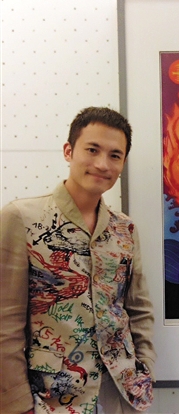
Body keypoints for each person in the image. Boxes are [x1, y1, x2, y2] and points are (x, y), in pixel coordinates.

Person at [0, 107, 156, 414]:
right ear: (69, 151)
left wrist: (145, 370)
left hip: (122, 392)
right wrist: (16, 402)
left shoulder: (125, 228)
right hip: (50, 397)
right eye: (92, 150)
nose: (102, 164)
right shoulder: (21, 218)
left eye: (114, 155)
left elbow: (139, 309)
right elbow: (6, 322)